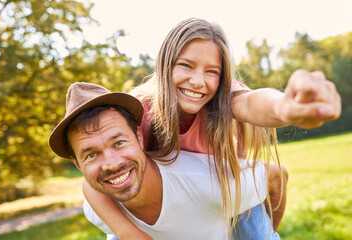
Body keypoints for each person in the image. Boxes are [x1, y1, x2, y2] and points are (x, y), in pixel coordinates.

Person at [82, 17, 341, 239]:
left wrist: (285, 107)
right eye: (186, 65)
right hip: (163, 204)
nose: (198, 82)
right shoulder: (140, 112)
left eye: (212, 71)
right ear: (165, 65)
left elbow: (252, 103)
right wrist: (127, 233)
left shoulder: (221, 97)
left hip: (227, 192)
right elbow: (92, 179)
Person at [49, 82, 278, 240]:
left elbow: (276, 175)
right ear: (78, 165)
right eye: (91, 154)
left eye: (118, 142)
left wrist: (268, 231)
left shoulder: (209, 184)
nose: (110, 163)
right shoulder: (100, 208)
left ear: (139, 136)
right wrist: (128, 233)